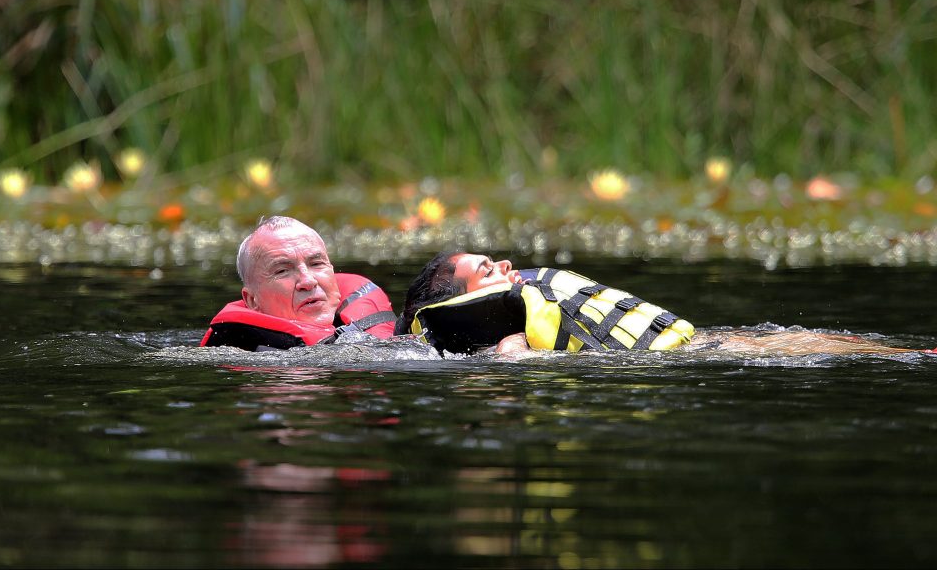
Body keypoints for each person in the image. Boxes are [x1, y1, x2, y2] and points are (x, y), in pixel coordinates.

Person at [396, 251, 931, 357]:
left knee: (793, 340)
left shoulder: (528, 311)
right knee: (798, 345)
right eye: (486, 273)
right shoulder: (506, 344)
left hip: (695, 346)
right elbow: (519, 363)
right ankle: (910, 356)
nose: (506, 269)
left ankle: (905, 354)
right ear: (460, 301)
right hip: (689, 355)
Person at [202, 216, 396, 350]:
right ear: (252, 300)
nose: (308, 281)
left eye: (316, 263)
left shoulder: (390, 335)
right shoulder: (245, 353)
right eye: (282, 271)